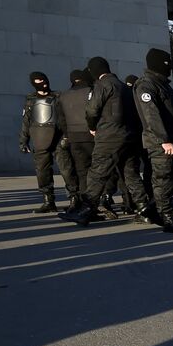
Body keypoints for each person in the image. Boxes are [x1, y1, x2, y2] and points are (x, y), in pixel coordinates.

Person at [61, 56, 152, 227]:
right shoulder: (125, 87)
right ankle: (143, 209)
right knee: (130, 173)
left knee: (97, 172)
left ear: (95, 71)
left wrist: (93, 127)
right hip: (129, 135)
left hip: (109, 136)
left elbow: (92, 110)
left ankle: (86, 210)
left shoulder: (102, 85)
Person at [131, 47, 173, 233]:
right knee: (163, 179)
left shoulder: (163, 84)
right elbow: (151, 115)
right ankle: (167, 218)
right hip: (160, 142)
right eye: (166, 62)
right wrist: (163, 140)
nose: (169, 66)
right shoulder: (146, 85)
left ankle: (150, 208)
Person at [19, 71, 68, 213]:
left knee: (67, 170)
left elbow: (65, 119)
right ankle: (48, 200)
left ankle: (74, 198)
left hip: (58, 138)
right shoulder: (30, 99)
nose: (43, 82)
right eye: (39, 80)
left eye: (44, 79)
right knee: (42, 171)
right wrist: (23, 141)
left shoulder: (58, 97)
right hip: (39, 138)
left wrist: (67, 137)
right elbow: (26, 121)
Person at [55, 70, 95, 212]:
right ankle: (96, 202)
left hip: (74, 138)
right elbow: (94, 111)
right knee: (96, 170)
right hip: (91, 136)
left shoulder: (63, 96)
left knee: (81, 171)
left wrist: (67, 134)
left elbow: (61, 120)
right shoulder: (91, 91)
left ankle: (84, 203)